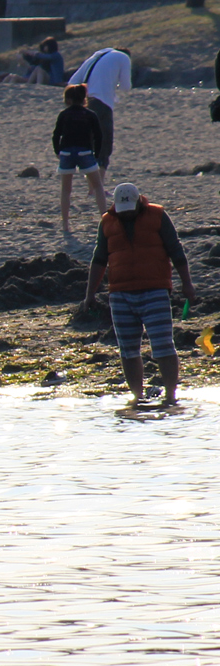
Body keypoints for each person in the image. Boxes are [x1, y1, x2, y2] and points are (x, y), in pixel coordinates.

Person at [85, 183, 195, 405]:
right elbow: (99, 259)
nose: (126, 214)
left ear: (139, 202)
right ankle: (137, 397)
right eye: (122, 210)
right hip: (120, 294)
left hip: (155, 290)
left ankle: (171, 396)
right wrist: (89, 294)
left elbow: (176, 250)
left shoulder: (157, 215)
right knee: (128, 350)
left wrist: (187, 284)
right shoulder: (107, 221)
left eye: (130, 209)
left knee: (163, 345)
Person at [52, 82, 107, 237]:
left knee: (66, 190)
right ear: (84, 99)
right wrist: (96, 155)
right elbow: (98, 136)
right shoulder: (90, 114)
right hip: (85, 152)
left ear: (68, 100)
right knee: (98, 187)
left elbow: (56, 135)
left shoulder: (64, 114)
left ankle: (65, 224)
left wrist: (58, 151)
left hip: (67, 153)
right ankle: (104, 219)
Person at [73, 47, 131, 175]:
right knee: (104, 146)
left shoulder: (97, 55)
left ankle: (92, 187)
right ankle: (98, 187)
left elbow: (73, 81)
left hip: (86, 103)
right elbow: (126, 87)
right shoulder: (124, 58)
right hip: (103, 103)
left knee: (90, 144)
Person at [0, 36, 64, 86]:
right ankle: (2, 88)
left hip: (54, 80)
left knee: (38, 69)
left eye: (45, 46)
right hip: (38, 77)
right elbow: (34, 66)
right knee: (11, 76)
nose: (44, 48)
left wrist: (29, 52)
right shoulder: (47, 58)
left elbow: (41, 57)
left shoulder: (55, 55)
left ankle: (35, 86)